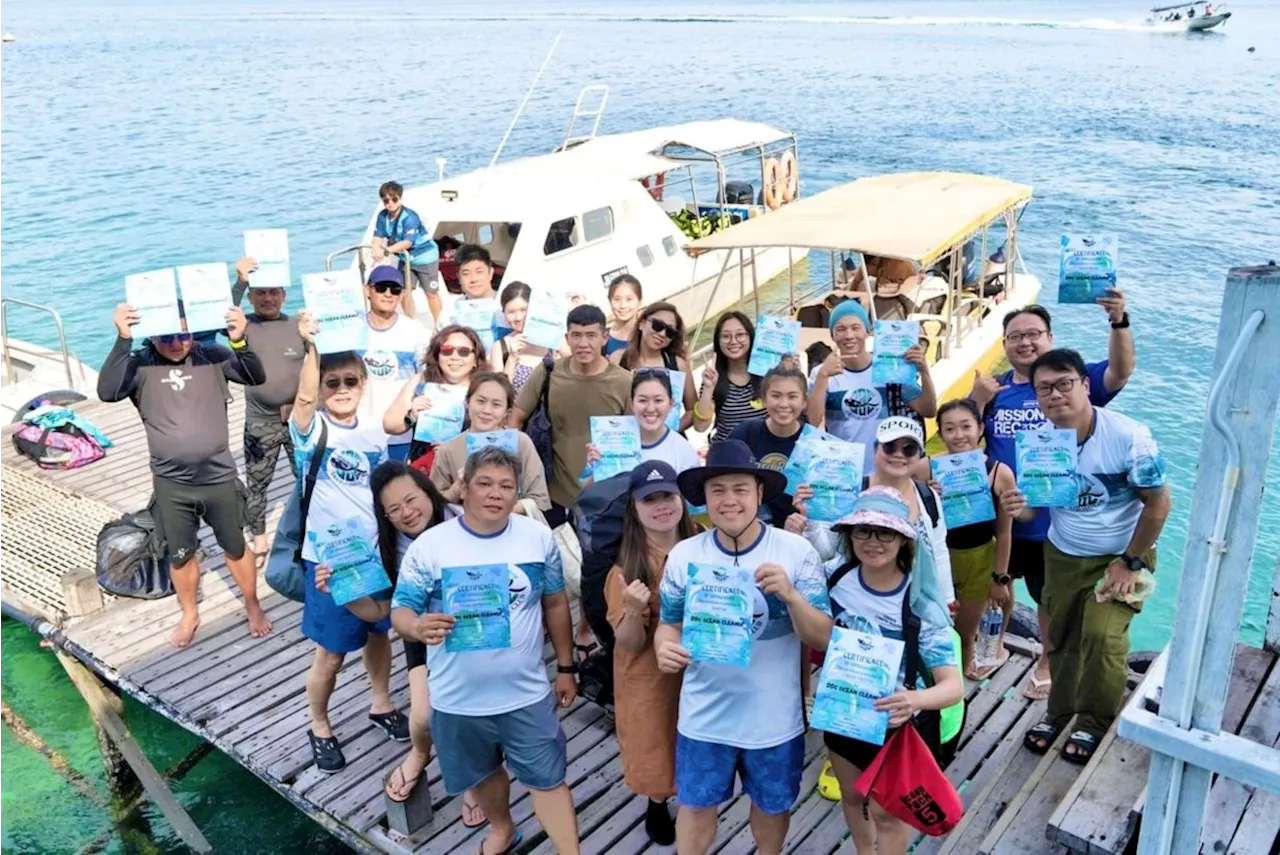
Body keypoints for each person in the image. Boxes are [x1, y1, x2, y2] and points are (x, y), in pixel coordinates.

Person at [391, 447, 581, 855]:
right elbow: (401, 610)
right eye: (484, 483)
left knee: (549, 778)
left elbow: (555, 602)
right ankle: (502, 828)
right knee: (482, 774)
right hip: (456, 698)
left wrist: (566, 665)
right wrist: (417, 626)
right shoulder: (431, 546)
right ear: (464, 489)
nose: (496, 493)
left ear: (517, 493)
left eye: (506, 486)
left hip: (526, 693)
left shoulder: (538, 538)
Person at [655, 440, 833, 855]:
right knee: (696, 807)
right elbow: (668, 625)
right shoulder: (684, 555)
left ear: (759, 493)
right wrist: (665, 648)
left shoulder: (796, 552)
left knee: (771, 808)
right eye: (718, 490)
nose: (729, 500)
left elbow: (822, 637)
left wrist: (790, 597)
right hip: (703, 717)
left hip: (774, 719)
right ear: (704, 499)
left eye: (740, 489)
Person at [1009, 349, 1169, 764]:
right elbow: (1038, 508)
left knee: (1101, 636)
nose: (1055, 395)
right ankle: (1059, 713)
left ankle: (1094, 721)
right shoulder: (1043, 441)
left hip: (1120, 554)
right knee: (1059, 637)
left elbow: (1158, 505)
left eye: (1065, 383)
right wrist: (1016, 507)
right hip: (1062, 553)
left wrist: (1130, 562)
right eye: (1044, 388)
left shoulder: (1130, 438)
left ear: (1085, 385)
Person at [970, 294, 1134, 700]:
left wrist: (1119, 321)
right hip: (1001, 517)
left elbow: (1120, 371)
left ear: (1049, 337)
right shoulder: (995, 390)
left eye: (1033, 335)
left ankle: (1047, 659)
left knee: (1049, 599)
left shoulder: (1067, 384)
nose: (1024, 343)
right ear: (1004, 344)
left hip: (1052, 523)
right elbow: (966, 437)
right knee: (996, 588)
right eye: (1015, 336)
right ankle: (996, 645)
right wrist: (977, 398)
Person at [98, 301, 270, 648]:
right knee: (181, 553)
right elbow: (107, 392)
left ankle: (253, 604)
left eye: (184, 334)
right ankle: (189, 612)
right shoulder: (140, 364)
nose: (176, 342)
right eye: (166, 336)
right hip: (171, 483)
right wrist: (122, 339)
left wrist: (240, 340)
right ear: (151, 335)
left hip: (218, 477)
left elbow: (255, 376)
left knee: (235, 546)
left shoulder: (213, 355)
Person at [289, 315, 405, 772]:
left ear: (363, 383)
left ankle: (380, 702)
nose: (341, 388)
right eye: (331, 382)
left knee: (380, 635)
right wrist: (311, 347)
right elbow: (301, 397)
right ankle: (319, 723)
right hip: (329, 565)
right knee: (331, 655)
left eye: (350, 380)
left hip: (376, 556)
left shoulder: (375, 428)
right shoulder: (311, 431)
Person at [820, 487, 963, 855]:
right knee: (852, 797)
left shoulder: (921, 603)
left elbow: (952, 687)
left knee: (888, 813)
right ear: (850, 536)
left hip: (899, 726)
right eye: (863, 531)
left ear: (903, 540)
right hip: (844, 713)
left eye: (885, 532)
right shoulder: (835, 578)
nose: (873, 541)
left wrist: (913, 699)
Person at [604, 460, 699, 845]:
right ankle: (657, 803)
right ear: (635, 507)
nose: (661, 506)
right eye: (650, 499)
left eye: (668, 496)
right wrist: (630, 608)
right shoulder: (626, 568)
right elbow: (627, 642)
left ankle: (694, 801)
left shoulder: (706, 543)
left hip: (700, 666)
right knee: (656, 740)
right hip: (649, 674)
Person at [511, 304, 632, 529]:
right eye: (576, 335)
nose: (583, 344)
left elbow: (635, 439)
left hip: (606, 498)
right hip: (552, 496)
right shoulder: (548, 371)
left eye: (591, 336)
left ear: (604, 338)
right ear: (566, 338)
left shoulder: (625, 382)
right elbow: (516, 418)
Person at [934, 399, 1031, 679]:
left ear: (980, 429)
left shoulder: (1000, 473)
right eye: (950, 428)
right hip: (940, 557)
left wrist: (1000, 579)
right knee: (935, 630)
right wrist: (926, 493)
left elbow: (1004, 532)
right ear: (940, 434)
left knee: (965, 634)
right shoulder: (927, 470)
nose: (959, 435)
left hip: (979, 559)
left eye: (966, 426)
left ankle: (956, 695)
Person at [806, 300, 937, 473]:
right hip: (846, 472)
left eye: (855, 327)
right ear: (832, 335)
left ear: (867, 332)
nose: (849, 335)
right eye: (840, 329)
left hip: (888, 471)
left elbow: (927, 409)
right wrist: (823, 377)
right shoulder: (821, 373)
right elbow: (813, 422)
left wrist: (924, 370)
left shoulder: (888, 368)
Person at [237, 270, 306, 564]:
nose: (267, 298)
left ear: (284, 295)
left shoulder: (296, 325)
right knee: (257, 483)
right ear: (250, 298)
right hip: (260, 421)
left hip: (299, 419)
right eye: (260, 293)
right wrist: (240, 280)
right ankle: (260, 538)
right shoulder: (244, 326)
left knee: (306, 478)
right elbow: (218, 316)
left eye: (274, 291)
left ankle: (307, 533)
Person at [429, 371, 551, 513]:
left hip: (514, 527)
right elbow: (434, 504)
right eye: (480, 401)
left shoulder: (521, 442)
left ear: (507, 411)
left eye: (496, 405)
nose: (487, 410)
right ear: (468, 403)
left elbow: (539, 498)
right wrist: (457, 488)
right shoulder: (448, 450)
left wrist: (501, 510)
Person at [382, 325, 485, 468]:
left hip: (469, 469)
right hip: (425, 469)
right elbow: (389, 425)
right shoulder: (421, 382)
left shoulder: (485, 389)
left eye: (464, 352)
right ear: (437, 356)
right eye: (447, 351)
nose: (455, 357)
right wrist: (411, 416)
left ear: (475, 360)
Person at [359, 265, 430, 462]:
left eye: (395, 289)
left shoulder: (416, 332)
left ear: (402, 295)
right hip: (362, 434)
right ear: (367, 290)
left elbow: (427, 378)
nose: (388, 294)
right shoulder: (352, 332)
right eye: (381, 287)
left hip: (402, 435)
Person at [728, 363, 809, 532]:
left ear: (804, 402)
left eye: (792, 396)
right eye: (776, 396)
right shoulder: (743, 435)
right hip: (749, 530)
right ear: (764, 400)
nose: (783, 404)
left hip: (799, 530)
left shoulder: (815, 443)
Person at [587, 370, 700, 479]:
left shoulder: (683, 450)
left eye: (658, 400)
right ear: (632, 404)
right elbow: (586, 491)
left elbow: (693, 496)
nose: (650, 408)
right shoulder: (610, 443)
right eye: (642, 400)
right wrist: (596, 469)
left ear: (671, 404)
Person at [611, 301, 697, 431]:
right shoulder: (618, 359)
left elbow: (692, 409)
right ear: (641, 323)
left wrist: (671, 431)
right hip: (628, 443)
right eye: (657, 325)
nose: (662, 334)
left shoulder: (679, 365)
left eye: (670, 331)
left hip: (668, 445)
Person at [372, 181, 441, 323]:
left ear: (400, 199)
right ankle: (411, 322)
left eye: (394, 199)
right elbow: (378, 236)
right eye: (386, 200)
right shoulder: (383, 216)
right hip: (406, 259)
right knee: (403, 292)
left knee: (431, 293)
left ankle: (439, 323)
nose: (390, 203)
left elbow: (407, 242)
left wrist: (385, 251)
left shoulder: (410, 217)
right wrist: (375, 250)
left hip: (424, 257)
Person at [693, 311, 765, 443]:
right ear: (718, 341)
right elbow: (700, 426)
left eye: (740, 335)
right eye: (726, 336)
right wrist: (708, 388)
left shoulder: (767, 375)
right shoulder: (713, 378)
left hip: (764, 453)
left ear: (750, 337)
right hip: (728, 455)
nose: (733, 341)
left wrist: (790, 372)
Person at [491, 280, 558, 394]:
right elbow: (498, 392)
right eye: (511, 312)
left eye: (524, 310)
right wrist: (512, 358)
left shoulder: (549, 341)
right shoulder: (501, 346)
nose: (518, 317)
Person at [448, 244, 505, 350]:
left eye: (479, 272)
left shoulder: (506, 303)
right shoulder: (450, 311)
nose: (473, 279)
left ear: (491, 272)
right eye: (466, 273)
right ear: (458, 277)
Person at [605, 274, 643, 357]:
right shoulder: (603, 340)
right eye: (617, 299)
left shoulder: (652, 333)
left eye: (629, 299)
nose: (623, 305)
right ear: (609, 301)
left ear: (640, 301)